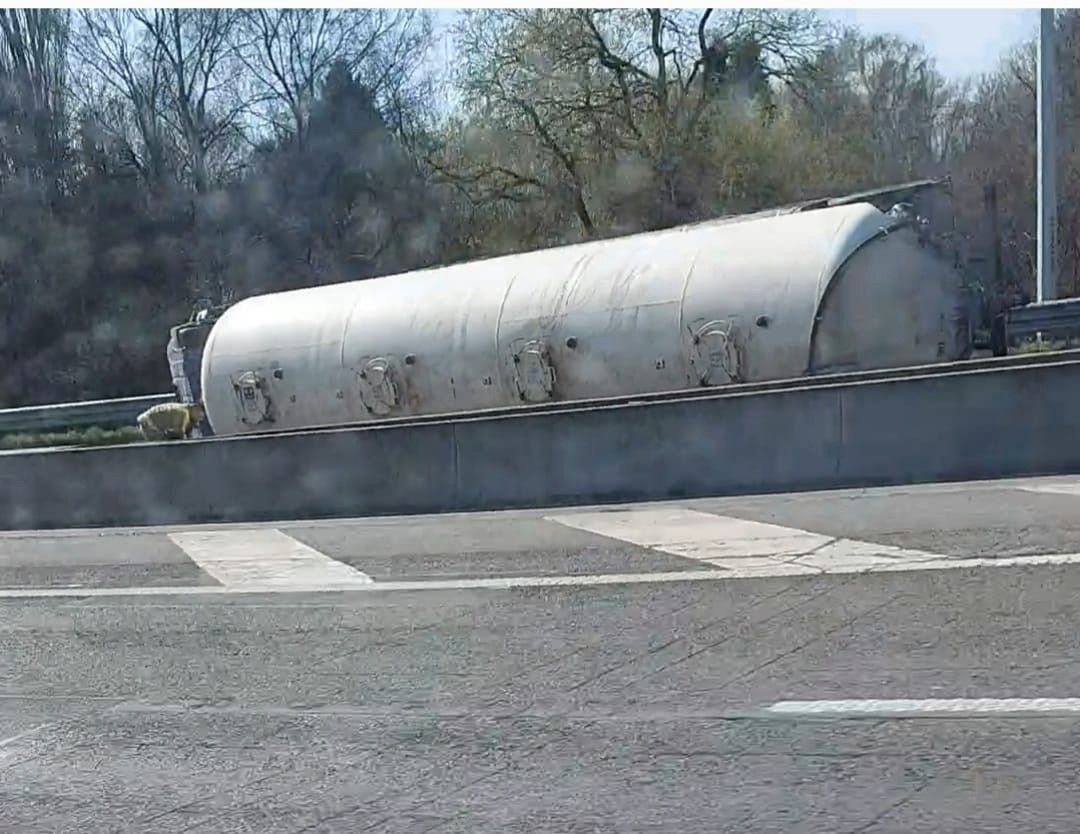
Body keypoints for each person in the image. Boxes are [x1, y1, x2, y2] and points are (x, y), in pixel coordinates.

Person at [137, 401, 207, 442]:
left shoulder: (185, 412)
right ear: (195, 407)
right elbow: (180, 433)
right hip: (149, 424)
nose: (201, 418)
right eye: (201, 413)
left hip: (147, 422)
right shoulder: (183, 413)